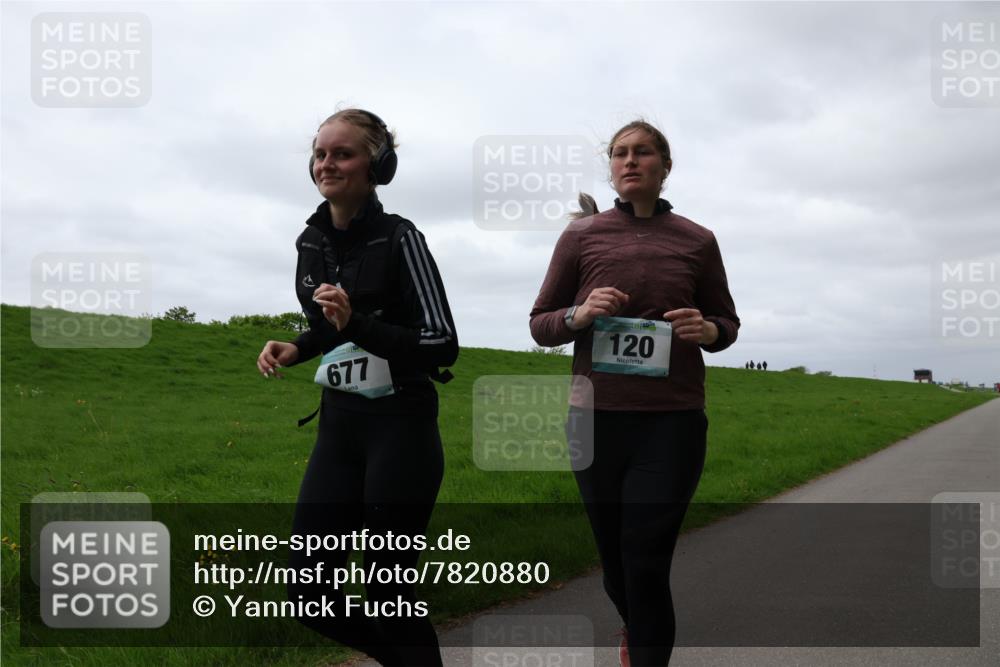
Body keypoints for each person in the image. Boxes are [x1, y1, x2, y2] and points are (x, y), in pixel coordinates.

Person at [529, 119, 739, 665]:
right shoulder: (582, 236)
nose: (629, 161)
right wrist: (579, 314)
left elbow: (727, 324)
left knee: (645, 561)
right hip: (595, 421)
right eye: (620, 153)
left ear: (664, 166)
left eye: (642, 152)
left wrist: (707, 330)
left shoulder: (697, 240)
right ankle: (634, 624)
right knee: (616, 563)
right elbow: (541, 323)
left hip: (671, 421)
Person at [256, 108, 458, 666]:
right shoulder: (310, 241)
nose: (327, 163)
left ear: (377, 167)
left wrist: (357, 324)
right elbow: (329, 325)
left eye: (342, 154)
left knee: (390, 595)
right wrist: (298, 346)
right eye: (320, 154)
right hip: (339, 429)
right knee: (308, 594)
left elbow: (442, 342)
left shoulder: (401, 238)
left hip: (402, 429)